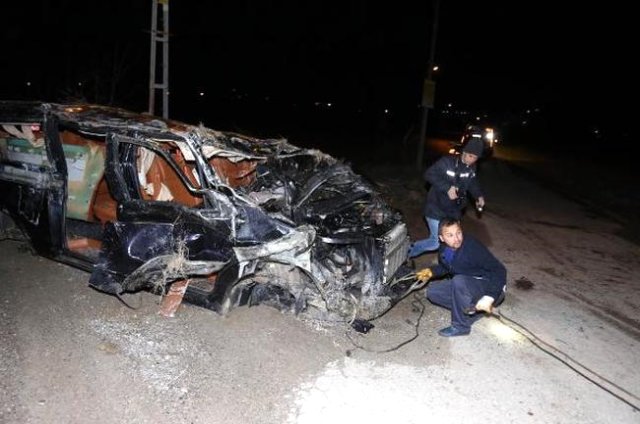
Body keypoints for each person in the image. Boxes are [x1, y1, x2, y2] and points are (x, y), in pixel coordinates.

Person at [415, 218, 506, 337]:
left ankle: (461, 327)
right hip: (469, 285)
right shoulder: (444, 248)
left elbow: (499, 270)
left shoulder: (472, 247)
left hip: (490, 287)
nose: (457, 238)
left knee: (458, 280)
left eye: (458, 233)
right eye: (450, 235)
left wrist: (489, 297)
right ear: (442, 238)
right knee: (433, 292)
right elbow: (447, 267)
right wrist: (430, 272)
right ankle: (473, 311)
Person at [408, 137, 485, 258]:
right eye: (471, 156)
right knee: (435, 242)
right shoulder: (446, 162)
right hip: (435, 207)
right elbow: (428, 174)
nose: (472, 160)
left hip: (454, 210)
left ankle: (446, 263)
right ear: (464, 152)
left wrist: (478, 196)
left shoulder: (471, 168)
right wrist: (447, 188)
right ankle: (407, 252)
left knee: (454, 239)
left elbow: (472, 183)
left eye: (476, 158)